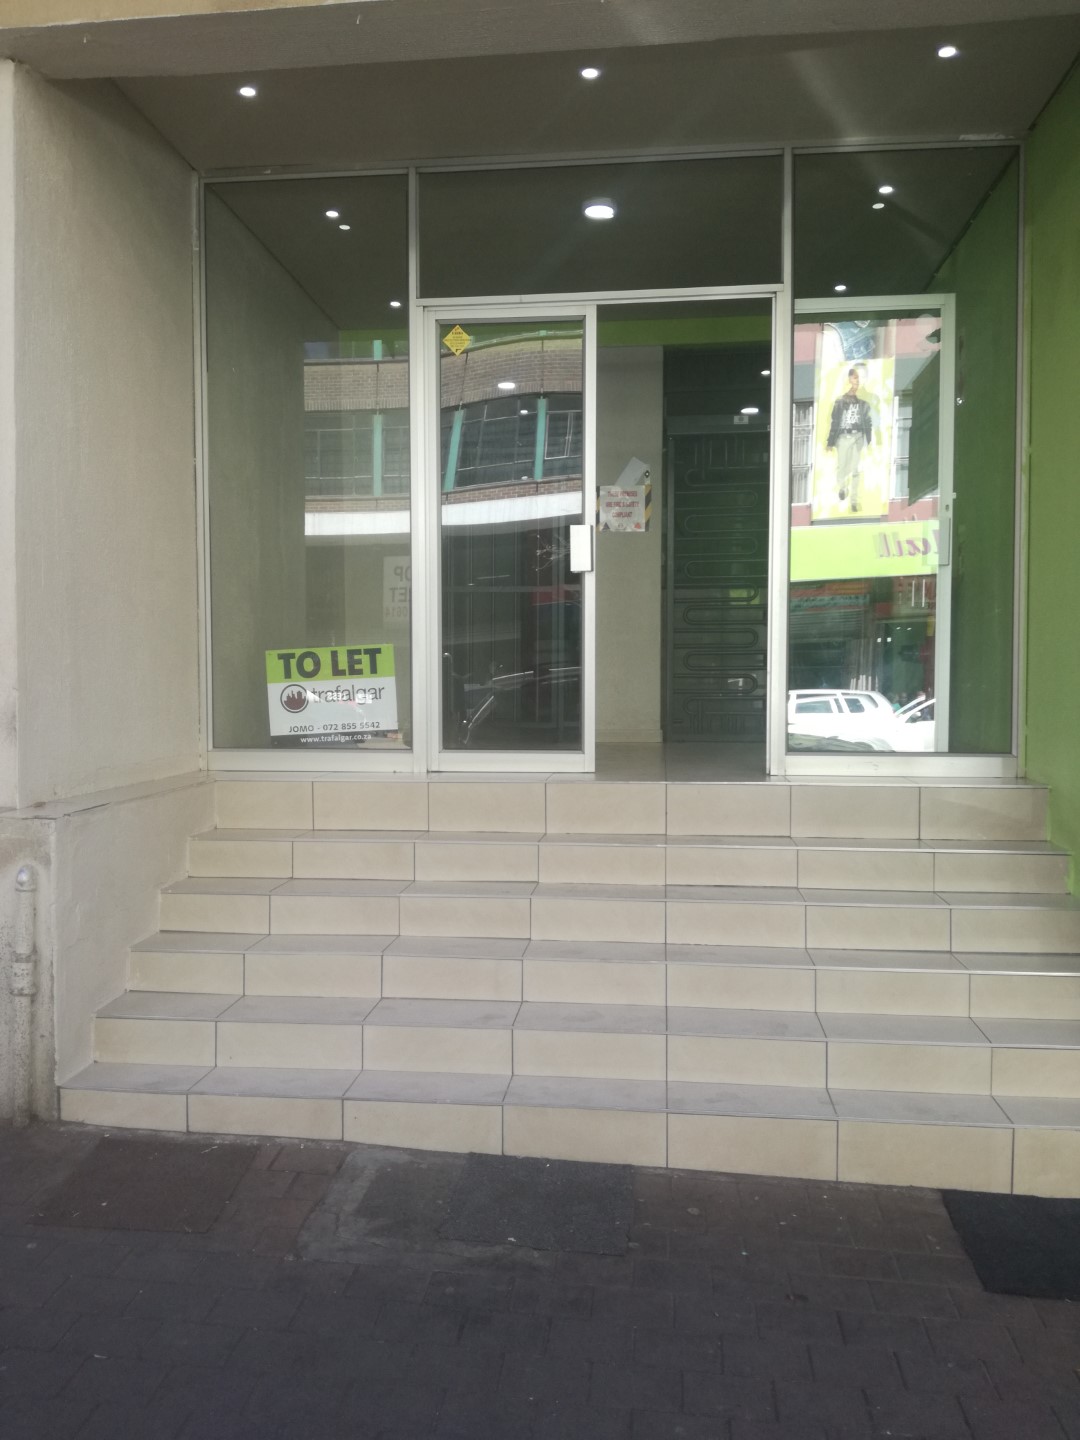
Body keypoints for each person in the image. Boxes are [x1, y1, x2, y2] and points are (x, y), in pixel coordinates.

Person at [825, 367, 875, 513]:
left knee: (856, 469)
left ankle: (854, 501)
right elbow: (835, 421)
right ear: (849, 379)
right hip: (843, 437)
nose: (857, 381)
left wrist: (869, 440)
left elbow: (868, 422)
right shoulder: (840, 402)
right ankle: (842, 488)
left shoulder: (864, 404)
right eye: (855, 377)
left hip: (857, 437)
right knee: (842, 466)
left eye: (859, 378)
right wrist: (830, 441)